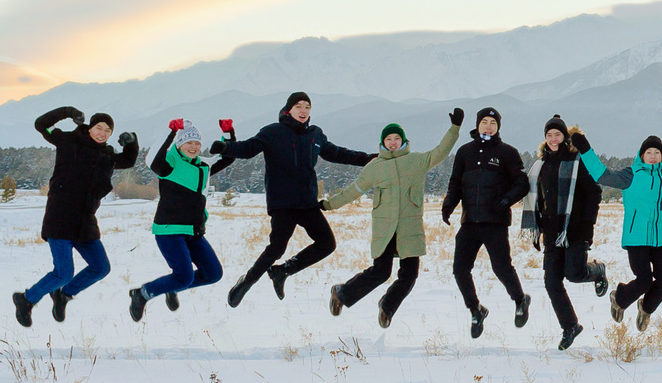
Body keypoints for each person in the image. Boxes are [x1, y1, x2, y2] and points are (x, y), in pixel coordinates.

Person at [218, 92, 373, 306]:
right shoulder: (272, 132)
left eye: (307, 107)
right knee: (276, 248)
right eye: (299, 106)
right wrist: (226, 147)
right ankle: (246, 282)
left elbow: (338, 153)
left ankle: (282, 271)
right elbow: (248, 148)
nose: (303, 111)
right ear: (288, 109)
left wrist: (367, 160)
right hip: (283, 203)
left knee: (327, 243)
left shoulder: (315, 135)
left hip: (307, 203)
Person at [324, 114, 463, 329]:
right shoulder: (374, 167)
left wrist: (454, 128)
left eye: (396, 138)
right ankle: (341, 293)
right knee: (381, 272)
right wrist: (329, 205)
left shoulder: (417, 161)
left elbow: (440, 152)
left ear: (404, 141)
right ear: (382, 143)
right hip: (385, 228)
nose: (392, 142)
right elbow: (354, 191)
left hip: (409, 227)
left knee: (409, 275)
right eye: (388, 139)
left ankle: (387, 306)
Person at [16, 104, 135, 327]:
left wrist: (131, 142)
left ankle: (63, 295)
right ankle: (26, 299)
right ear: (89, 127)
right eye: (99, 127)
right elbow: (41, 124)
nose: (103, 133)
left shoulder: (106, 155)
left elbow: (128, 161)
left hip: (85, 221)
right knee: (63, 273)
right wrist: (68, 112)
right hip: (60, 217)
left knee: (100, 268)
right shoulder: (68, 140)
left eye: (108, 130)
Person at [440, 106, 531, 338]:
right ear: (478, 124)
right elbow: (455, 183)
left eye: (492, 122)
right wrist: (448, 205)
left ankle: (520, 300)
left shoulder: (507, 152)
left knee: (501, 268)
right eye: (484, 122)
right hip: (469, 222)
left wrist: (506, 200)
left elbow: (522, 183)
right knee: (460, 270)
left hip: (495, 223)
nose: (488, 126)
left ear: (498, 126)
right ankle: (476, 310)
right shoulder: (464, 152)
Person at [531, 116, 617, 349]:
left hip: (576, 229)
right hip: (551, 231)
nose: (553, 139)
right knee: (551, 281)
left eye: (557, 135)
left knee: (574, 273)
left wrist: (588, 224)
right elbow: (540, 199)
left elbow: (594, 193)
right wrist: (536, 227)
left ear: (564, 137)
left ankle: (597, 270)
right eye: (549, 135)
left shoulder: (577, 161)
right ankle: (569, 326)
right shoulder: (541, 164)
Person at [129, 119, 222, 321]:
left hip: (194, 232)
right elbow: (151, 158)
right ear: (179, 145)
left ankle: (174, 286)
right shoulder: (169, 164)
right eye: (188, 142)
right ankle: (142, 293)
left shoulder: (202, 166)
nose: (194, 147)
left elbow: (226, 157)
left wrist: (228, 135)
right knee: (184, 276)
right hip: (169, 230)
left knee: (213, 273)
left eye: (197, 143)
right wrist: (171, 132)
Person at [609, 134, 662, 330]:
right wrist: (584, 150)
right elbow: (603, 174)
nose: (653, 156)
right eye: (649, 152)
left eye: (657, 153)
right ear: (641, 155)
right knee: (644, 280)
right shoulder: (631, 175)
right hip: (637, 238)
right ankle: (619, 299)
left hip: (661, 239)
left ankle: (646, 308)